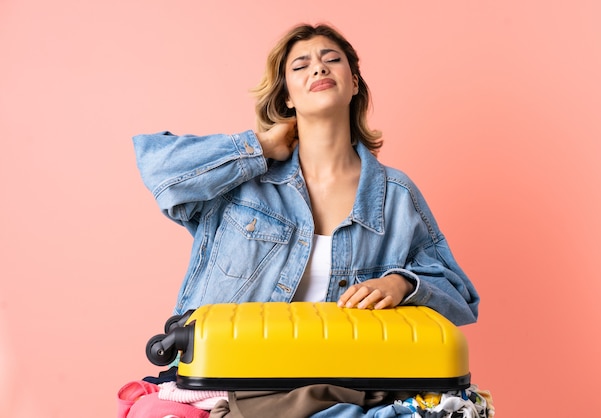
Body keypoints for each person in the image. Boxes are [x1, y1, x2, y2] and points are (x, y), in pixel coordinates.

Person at [133, 23, 479, 326]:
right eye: (301, 65)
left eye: (332, 60)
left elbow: (459, 295)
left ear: (354, 82)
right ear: (286, 96)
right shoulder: (244, 184)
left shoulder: (395, 195)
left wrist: (401, 284)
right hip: (228, 372)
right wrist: (260, 147)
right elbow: (158, 167)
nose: (318, 69)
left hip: (340, 380)